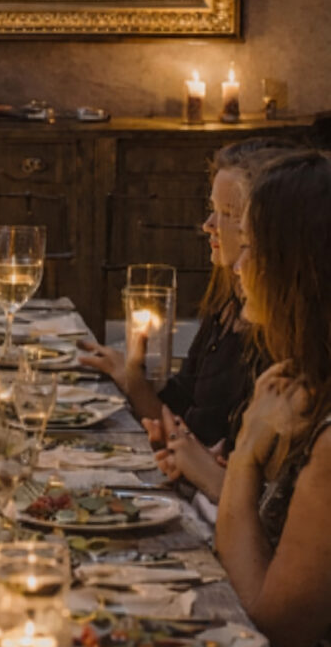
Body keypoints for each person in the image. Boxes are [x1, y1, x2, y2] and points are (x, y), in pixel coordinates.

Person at [79, 139, 291, 471]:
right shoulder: (227, 305)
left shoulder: (278, 338)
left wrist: (136, 385)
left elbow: (212, 453)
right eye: (212, 209)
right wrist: (133, 377)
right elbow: (182, 415)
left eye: (227, 213)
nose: (208, 225)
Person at [215, 150, 331, 647]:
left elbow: (275, 627)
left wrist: (244, 455)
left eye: (251, 247)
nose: (238, 266)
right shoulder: (297, 381)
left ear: (297, 268)